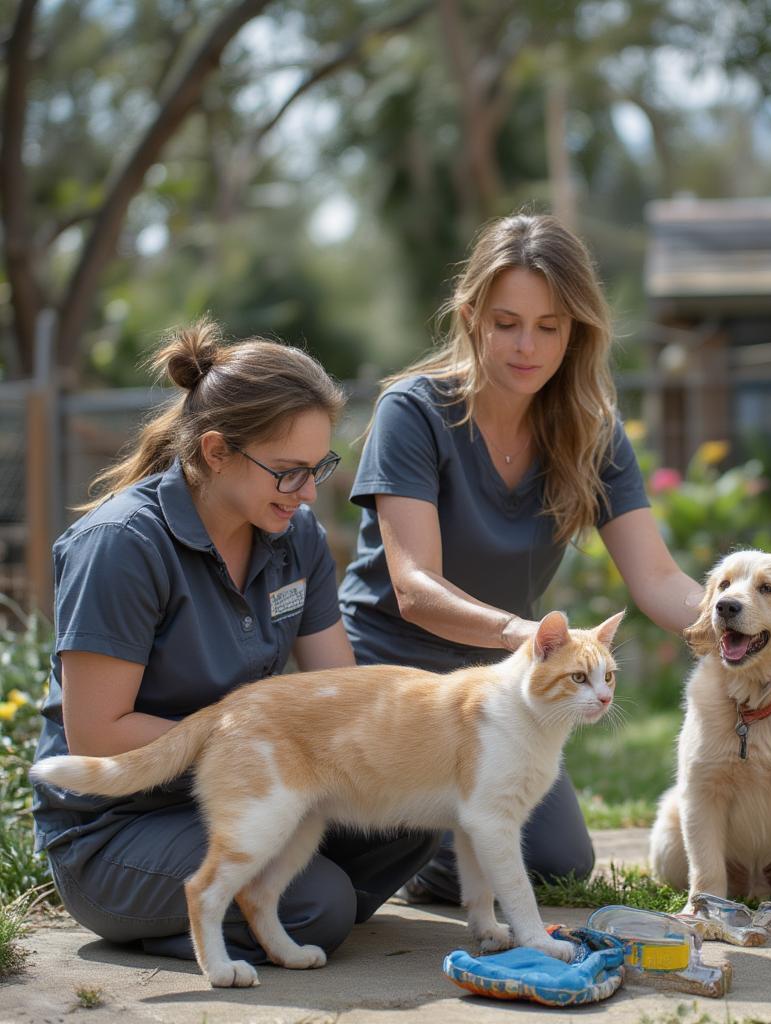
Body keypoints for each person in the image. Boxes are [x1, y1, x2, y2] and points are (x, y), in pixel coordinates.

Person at [32, 319, 437, 964]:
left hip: (256, 787)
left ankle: (266, 902)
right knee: (320, 903)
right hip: (119, 825)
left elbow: (341, 693)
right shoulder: (122, 546)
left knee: (415, 817)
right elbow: (96, 736)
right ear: (217, 451)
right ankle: (232, 915)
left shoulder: (294, 536)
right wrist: (248, 741)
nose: (308, 493)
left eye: (318, 468)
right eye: (288, 471)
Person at [339, 212, 705, 904]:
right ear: (471, 316)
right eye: (507, 323)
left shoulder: (592, 432)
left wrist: (735, 632)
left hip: (502, 682)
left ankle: (433, 850)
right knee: (371, 853)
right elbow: (414, 586)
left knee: (558, 861)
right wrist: (521, 637)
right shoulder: (412, 411)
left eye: (550, 326)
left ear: (576, 332)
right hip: (393, 668)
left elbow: (657, 579)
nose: (526, 346)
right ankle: (407, 837)